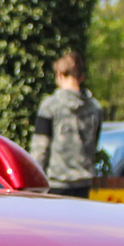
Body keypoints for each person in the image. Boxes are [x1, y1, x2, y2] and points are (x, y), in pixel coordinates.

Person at [29, 50, 103, 197]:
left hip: (56, 181)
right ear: (81, 77)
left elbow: (40, 148)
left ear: (59, 75)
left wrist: (34, 180)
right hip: (84, 181)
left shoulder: (50, 106)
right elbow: (94, 143)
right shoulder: (95, 108)